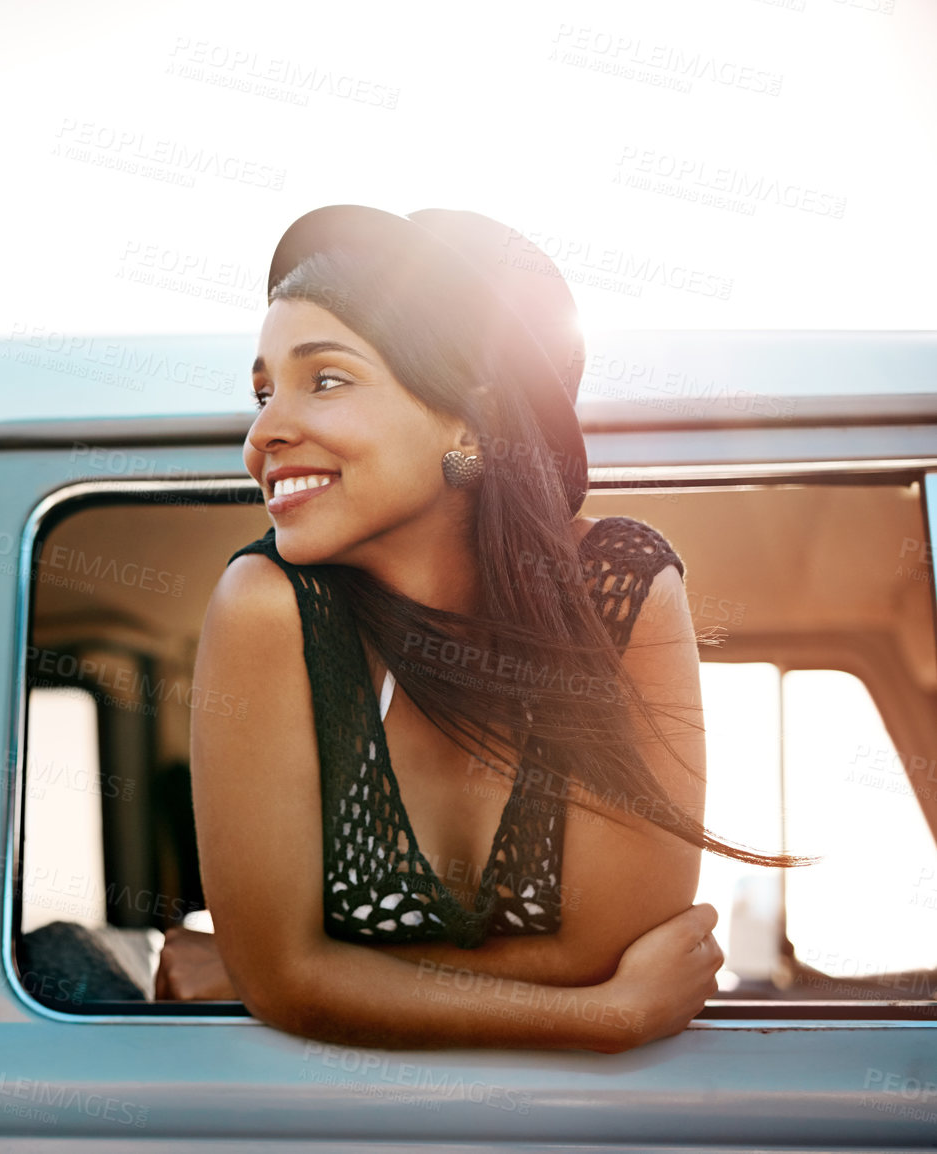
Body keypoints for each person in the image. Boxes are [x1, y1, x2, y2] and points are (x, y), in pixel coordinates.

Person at [156, 205, 809, 1053]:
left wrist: (308, 975)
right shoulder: (268, 605)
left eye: (325, 380)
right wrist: (603, 1014)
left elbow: (616, 946)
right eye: (263, 391)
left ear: (471, 420)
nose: (262, 434)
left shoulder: (621, 587)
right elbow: (287, 980)